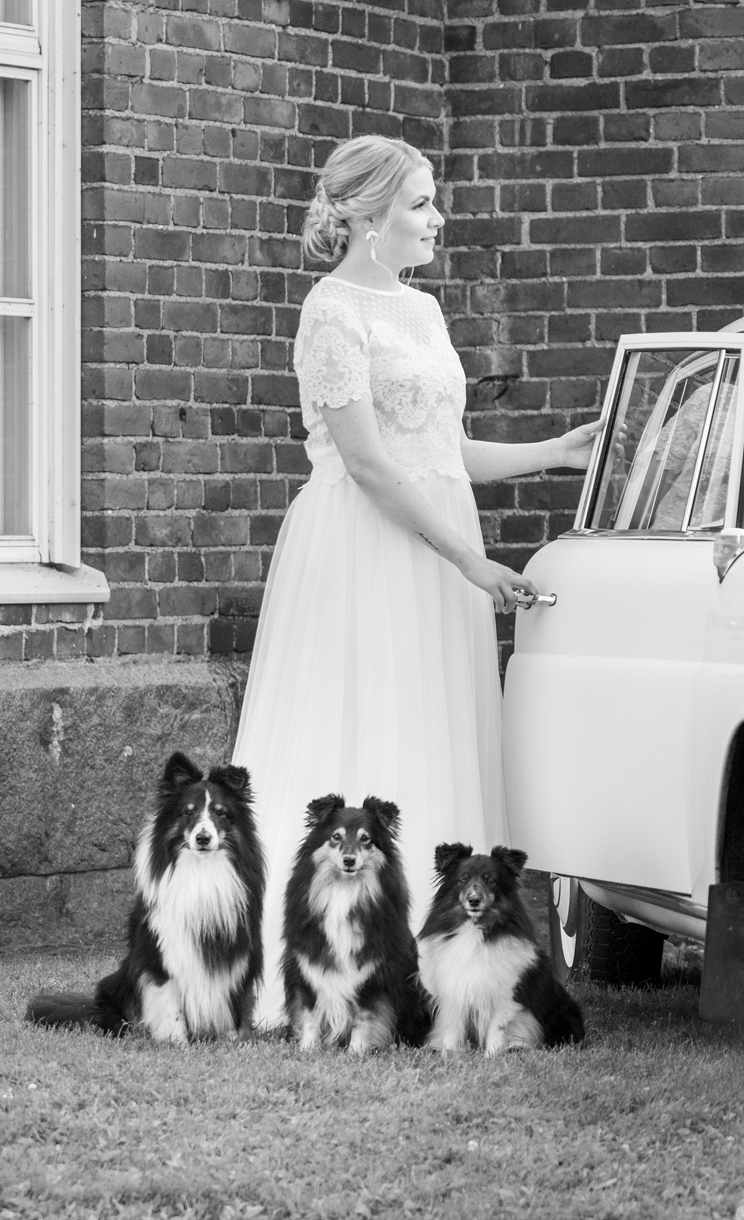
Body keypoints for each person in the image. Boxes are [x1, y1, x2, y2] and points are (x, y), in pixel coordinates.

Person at [233, 135, 596, 1018]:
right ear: (369, 214)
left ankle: (442, 965)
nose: (438, 219)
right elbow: (367, 464)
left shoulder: (425, 312)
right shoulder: (331, 313)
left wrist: (555, 451)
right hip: (365, 548)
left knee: (436, 719)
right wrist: (469, 560)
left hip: (436, 548)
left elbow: (444, 452)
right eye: (422, 203)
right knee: (367, 715)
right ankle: (333, 963)